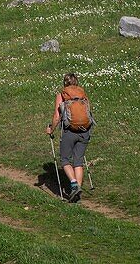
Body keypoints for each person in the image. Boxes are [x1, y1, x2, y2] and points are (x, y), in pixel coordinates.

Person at [46, 72, 93, 202]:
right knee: (78, 161)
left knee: (65, 160)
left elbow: (57, 116)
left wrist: (51, 129)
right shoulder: (83, 95)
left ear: (65, 83)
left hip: (69, 132)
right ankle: (77, 192)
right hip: (85, 131)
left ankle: (74, 184)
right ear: (76, 82)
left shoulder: (62, 95)